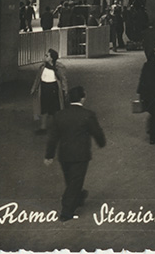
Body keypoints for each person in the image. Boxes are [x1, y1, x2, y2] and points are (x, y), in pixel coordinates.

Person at [44, 86, 106, 222]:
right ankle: (66, 211)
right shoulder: (88, 115)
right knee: (75, 182)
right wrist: (101, 142)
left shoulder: (59, 115)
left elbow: (53, 137)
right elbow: (97, 132)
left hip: (64, 154)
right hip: (81, 155)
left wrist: (49, 155)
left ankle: (78, 197)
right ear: (83, 98)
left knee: (70, 180)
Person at [30, 49, 69, 136]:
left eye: (47, 56)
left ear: (51, 59)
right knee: (43, 108)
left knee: (55, 109)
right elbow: (38, 79)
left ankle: (57, 128)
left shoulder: (58, 68)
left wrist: (64, 90)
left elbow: (63, 79)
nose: (45, 57)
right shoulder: (42, 67)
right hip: (44, 89)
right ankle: (43, 127)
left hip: (54, 89)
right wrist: (34, 88)